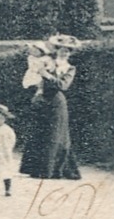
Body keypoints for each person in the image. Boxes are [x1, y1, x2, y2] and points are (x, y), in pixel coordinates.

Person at [19, 34, 82, 181]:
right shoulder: (47, 61)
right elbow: (35, 75)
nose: (63, 52)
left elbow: (63, 85)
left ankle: (52, 170)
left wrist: (46, 75)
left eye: (67, 51)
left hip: (56, 102)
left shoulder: (70, 68)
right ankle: (36, 169)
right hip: (42, 99)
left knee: (55, 134)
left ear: (70, 53)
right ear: (57, 50)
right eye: (61, 49)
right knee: (39, 131)